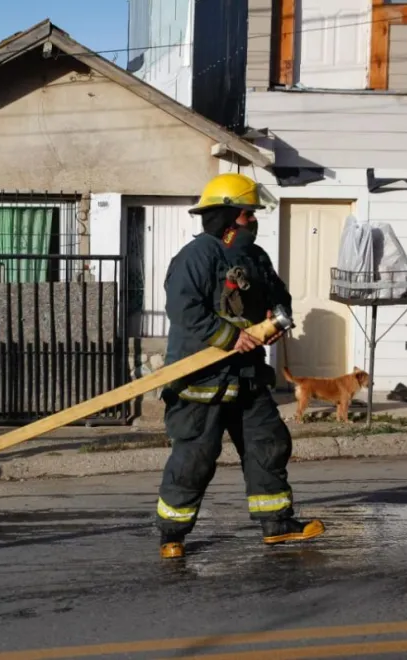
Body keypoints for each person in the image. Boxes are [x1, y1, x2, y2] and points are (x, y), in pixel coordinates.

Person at [154, 173, 325, 559]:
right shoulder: (197, 257)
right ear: (229, 219)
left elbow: (280, 297)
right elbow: (184, 310)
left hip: (246, 376)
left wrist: (278, 319)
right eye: (250, 215)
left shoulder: (255, 258)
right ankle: (172, 535)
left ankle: (277, 524)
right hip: (202, 379)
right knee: (194, 458)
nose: (255, 221)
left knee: (269, 445)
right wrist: (229, 337)